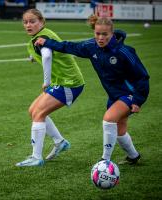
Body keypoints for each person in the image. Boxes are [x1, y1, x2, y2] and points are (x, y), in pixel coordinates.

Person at [34, 15, 149, 164]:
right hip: (114, 96)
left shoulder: (124, 52)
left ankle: (104, 161)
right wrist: (47, 42)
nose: (100, 37)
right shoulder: (91, 46)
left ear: (112, 34)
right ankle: (134, 157)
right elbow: (70, 46)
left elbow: (143, 77)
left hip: (130, 93)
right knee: (120, 131)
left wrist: (138, 100)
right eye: (97, 33)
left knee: (108, 119)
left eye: (104, 34)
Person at [16, 9, 85, 167]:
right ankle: (59, 142)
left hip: (69, 83)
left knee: (39, 113)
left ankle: (36, 157)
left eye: (32, 21)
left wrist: (46, 82)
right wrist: (34, 56)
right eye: (25, 22)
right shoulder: (43, 34)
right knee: (33, 111)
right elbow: (46, 52)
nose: (28, 25)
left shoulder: (42, 37)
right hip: (62, 82)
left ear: (42, 22)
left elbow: (47, 55)